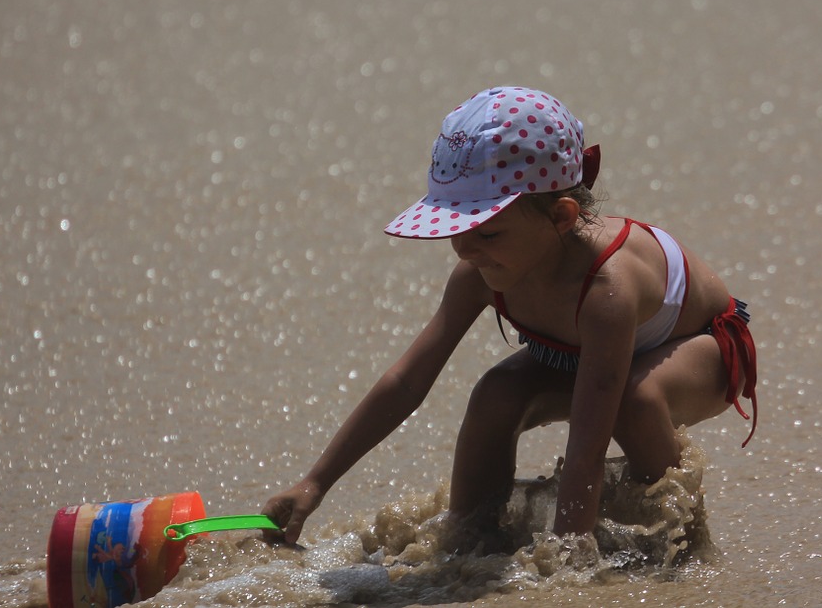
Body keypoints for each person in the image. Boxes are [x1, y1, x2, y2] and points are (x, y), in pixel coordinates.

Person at [262, 86, 757, 546]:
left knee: (634, 399)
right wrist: (315, 482)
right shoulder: (480, 269)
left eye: (486, 232)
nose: (464, 247)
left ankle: (681, 545)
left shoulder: (608, 289)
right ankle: (473, 539)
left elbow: (586, 442)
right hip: (586, 353)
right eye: (455, 226)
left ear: (562, 218)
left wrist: (566, 566)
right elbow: (407, 381)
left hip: (704, 349)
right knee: (495, 395)